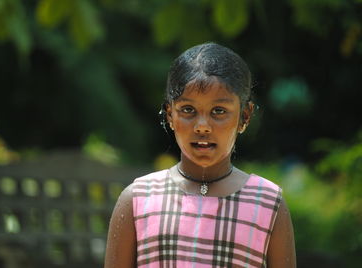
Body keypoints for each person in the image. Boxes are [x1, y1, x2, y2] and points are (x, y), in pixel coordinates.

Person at [104, 42, 296, 268]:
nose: (202, 126)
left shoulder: (268, 204)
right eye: (188, 110)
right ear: (170, 115)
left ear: (244, 117)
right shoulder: (138, 200)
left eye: (218, 111)